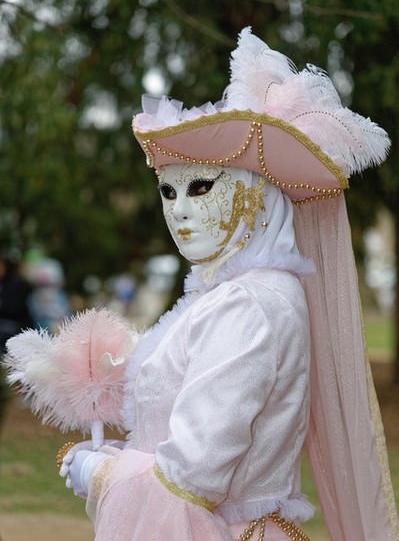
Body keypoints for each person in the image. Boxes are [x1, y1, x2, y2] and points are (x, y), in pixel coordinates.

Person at [59, 28, 398, 540]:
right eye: (168, 193)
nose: (181, 211)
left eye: (200, 187)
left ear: (257, 198)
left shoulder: (250, 305)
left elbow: (190, 478)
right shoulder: (231, 297)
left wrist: (101, 472)